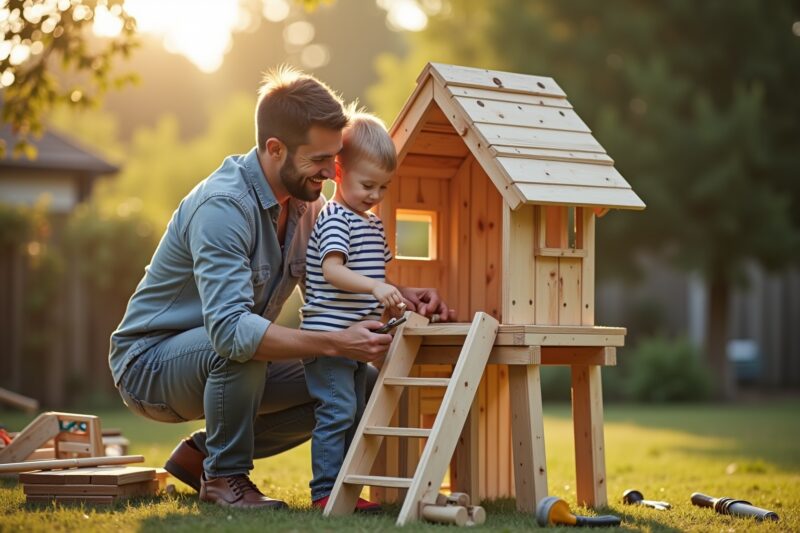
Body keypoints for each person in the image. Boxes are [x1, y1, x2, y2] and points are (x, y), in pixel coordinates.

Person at [108, 66, 455, 510]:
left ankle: (201, 455)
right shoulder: (224, 207)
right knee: (243, 343)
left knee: (353, 384)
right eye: (319, 160)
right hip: (151, 366)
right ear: (275, 149)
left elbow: (327, 285)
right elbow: (232, 332)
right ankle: (225, 478)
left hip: (225, 357)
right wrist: (334, 342)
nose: (332, 173)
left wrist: (399, 295)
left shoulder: (306, 204)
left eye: (335, 158)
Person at [300, 111, 402, 513]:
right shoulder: (336, 218)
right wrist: (377, 287)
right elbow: (332, 270)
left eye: (383, 187)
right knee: (337, 411)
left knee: (356, 411)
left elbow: (377, 273)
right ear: (338, 172)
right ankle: (325, 491)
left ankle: (345, 486)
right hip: (331, 342)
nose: (375, 194)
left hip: (359, 343)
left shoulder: (371, 224)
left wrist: (392, 297)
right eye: (367, 184)